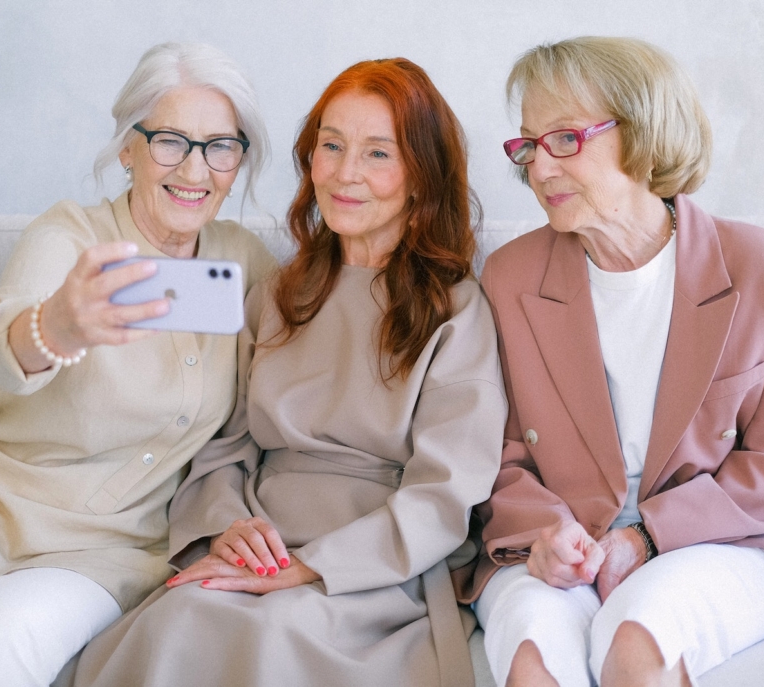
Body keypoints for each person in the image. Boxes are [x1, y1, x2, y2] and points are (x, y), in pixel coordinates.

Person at [0, 42, 278, 687]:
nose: (195, 169)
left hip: (108, 550)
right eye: (171, 141)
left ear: (238, 161)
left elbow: (295, 386)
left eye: (220, 147)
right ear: (128, 147)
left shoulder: (244, 260)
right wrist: (58, 325)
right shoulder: (71, 235)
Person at [73, 57, 507, 687]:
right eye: (331, 146)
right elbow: (226, 445)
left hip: (375, 569)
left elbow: (445, 494)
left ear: (421, 177)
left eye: (378, 154)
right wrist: (228, 531)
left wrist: (311, 567)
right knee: (179, 620)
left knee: (274, 635)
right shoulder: (278, 293)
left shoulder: (458, 310)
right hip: (262, 543)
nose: (345, 174)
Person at [453, 36, 764, 687]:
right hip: (556, 547)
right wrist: (549, 535)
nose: (539, 169)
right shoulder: (509, 277)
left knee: (636, 650)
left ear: (644, 133)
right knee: (533, 663)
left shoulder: (763, 267)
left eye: (565, 139)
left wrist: (647, 538)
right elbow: (492, 452)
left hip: (717, 541)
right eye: (528, 146)